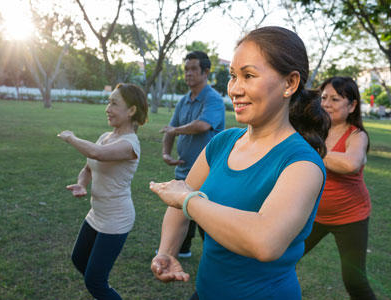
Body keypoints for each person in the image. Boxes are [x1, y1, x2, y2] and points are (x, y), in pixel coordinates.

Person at [149, 26, 331, 300]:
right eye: (233, 76)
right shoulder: (222, 143)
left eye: (248, 75)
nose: (234, 89)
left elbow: (265, 241)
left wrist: (189, 201)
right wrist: (166, 251)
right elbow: (178, 206)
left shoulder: (302, 163)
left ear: (289, 84)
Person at [57, 83, 148, 300]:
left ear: (131, 110)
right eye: (108, 102)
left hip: (116, 219)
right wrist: (82, 184)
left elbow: (97, 153)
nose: (108, 108)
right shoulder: (105, 136)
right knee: (79, 259)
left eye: (114, 103)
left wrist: (72, 138)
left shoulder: (130, 145)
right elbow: (88, 167)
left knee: (95, 281)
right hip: (96, 214)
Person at [303, 77, 377, 299]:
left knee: (354, 281)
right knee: (281, 258)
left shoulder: (356, 135)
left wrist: (312, 151)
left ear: (352, 106)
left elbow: (351, 163)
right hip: (314, 214)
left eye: (335, 99)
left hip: (350, 217)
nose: (326, 104)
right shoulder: (313, 130)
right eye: (324, 97)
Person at [159, 50, 225, 257]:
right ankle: (183, 249)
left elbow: (203, 125)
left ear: (206, 72)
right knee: (180, 208)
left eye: (193, 69)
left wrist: (175, 131)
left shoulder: (213, 99)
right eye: (186, 69)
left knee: (205, 214)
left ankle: (217, 254)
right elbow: (170, 129)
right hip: (184, 167)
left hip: (208, 171)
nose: (188, 73)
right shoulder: (183, 100)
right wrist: (166, 153)